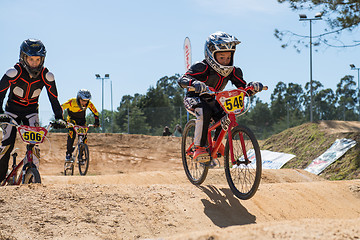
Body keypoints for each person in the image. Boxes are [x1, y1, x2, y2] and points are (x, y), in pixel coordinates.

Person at [178, 31, 263, 162]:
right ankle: (199, 147)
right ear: (211, 54)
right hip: (194, 98)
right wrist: (194, 83)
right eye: (221, 57)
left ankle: (216, 143)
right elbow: (182, 79)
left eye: (228, 58)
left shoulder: (234, 71)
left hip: (214, 99)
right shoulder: (201, 67)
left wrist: (252, 88)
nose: (225, 61)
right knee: (203, 110)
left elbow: (242, 87)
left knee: (225, 115)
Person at [0, 38, 65, 183]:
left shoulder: (47, 76)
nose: (34, 63)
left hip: (31, 112)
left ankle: (30, 175)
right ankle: (0, 177)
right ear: (23, 57)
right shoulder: (13, 72)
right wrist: (0, 113)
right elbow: (0, 93)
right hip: (11, 112)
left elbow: (54, 99)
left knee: (34, 144)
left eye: (38, 59)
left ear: (43, 59)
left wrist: (59, 117)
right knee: (7, 143)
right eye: (31, 59)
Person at [62, 89, 100, 161]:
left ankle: (81, 155)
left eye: (86, 100)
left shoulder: (88, 103)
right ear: (78, 98)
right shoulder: (71, 102)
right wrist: (61, 119)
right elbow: (61, 107)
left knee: (84, 137)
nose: (84, 102)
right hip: (71, 121)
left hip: (82, 121)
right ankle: (68, 153)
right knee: (71, 135)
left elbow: (95, 112)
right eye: (83, 100)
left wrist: (97, 121)